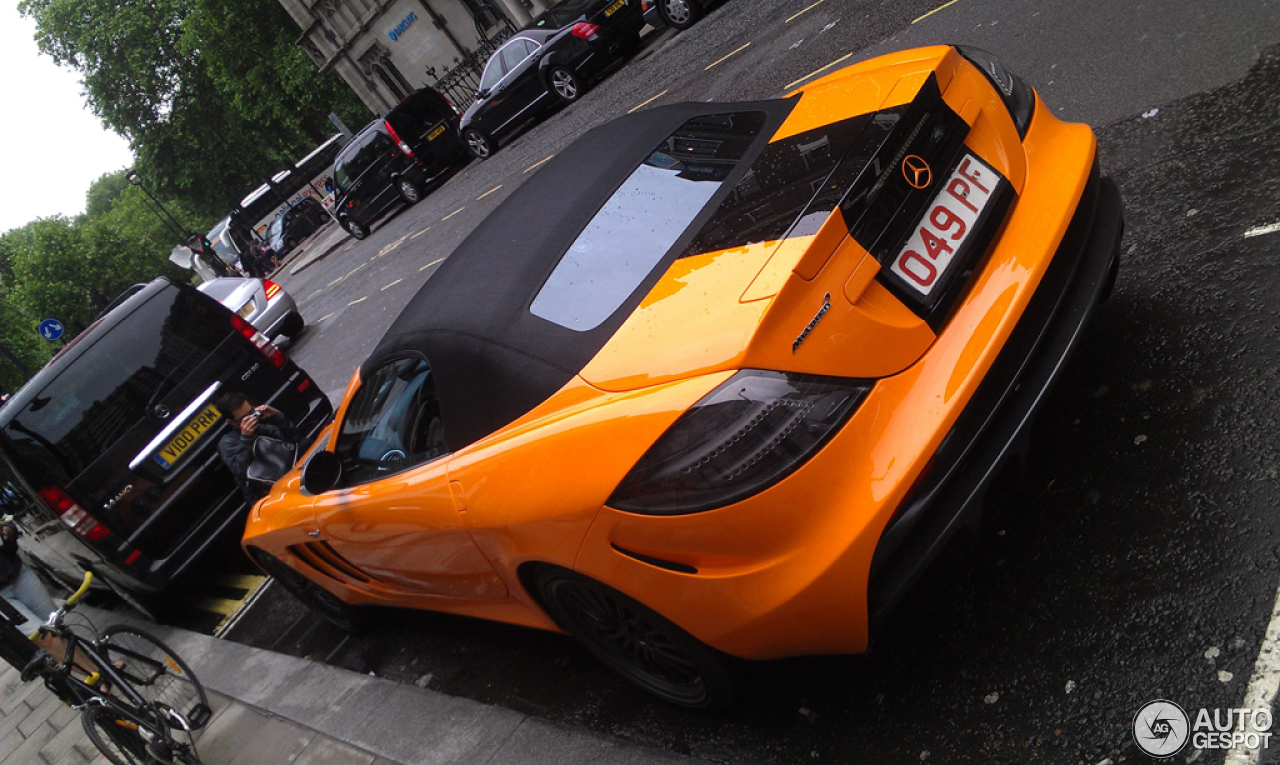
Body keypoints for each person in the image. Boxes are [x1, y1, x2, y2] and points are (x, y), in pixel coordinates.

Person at [214, 392, 299, 501]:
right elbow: (241, 472)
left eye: (252, 412)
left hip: (286, 471)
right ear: (231, 422)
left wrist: (277, 416)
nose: (251, 418)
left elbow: (295, 439)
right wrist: (246, 439)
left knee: (306, 443)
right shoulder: (227, 443)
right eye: (245, 418)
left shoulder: (262, 428)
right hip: (264, 491)